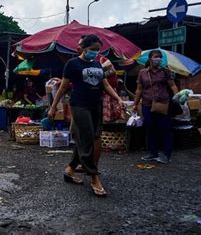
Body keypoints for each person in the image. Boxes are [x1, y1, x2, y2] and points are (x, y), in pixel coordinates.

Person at [49, 34, 124, 197]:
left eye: (98, 50)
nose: (95, 53)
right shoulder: (72, 64)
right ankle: (94, 177)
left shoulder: (98, 64)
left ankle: (69, 170)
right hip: (79, 105)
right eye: (92, 49)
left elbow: (105, 85)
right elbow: (62, 88)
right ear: (83, 48)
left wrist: (118, 98)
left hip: (95, 105)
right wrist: (53, 107)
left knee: (90, 137)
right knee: (88, 139)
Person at [133, 49, 178, 164]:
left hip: (162, 104)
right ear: (150, 59)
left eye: (160, 57)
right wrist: (135, 104)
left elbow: (172, 85)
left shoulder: (165, 71)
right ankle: (153, 153)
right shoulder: (143, 72)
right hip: (147, 104)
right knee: (150, 128)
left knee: (165, 129)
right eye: (156, 56)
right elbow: (139, 90)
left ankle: (167, 154)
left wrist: (178, 96)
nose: (158, 59)